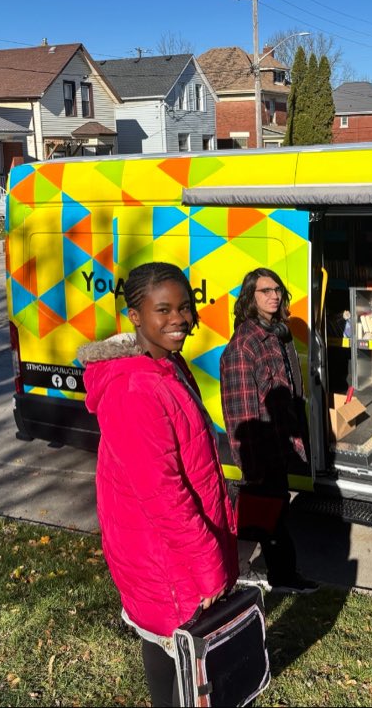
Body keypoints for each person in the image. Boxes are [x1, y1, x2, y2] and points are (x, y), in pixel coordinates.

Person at [78, 262, 238, 708]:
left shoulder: (167, 366)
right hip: (169, 561)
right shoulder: (135, 388)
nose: (179, 320)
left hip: (174, 555)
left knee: (176, 659)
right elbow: (164, 497)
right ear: (135, 315)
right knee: (185, 669)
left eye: (185, 308)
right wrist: (210, 567)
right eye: (163, 310)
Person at [220, 267, 318, 594]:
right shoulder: (244, 345)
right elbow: (240, 414)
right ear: (250, 298)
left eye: (277, 289)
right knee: (266, 519)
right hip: (263, 452)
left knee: (271, 517)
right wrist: (254, 466)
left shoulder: (276, 333)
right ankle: (252, 577)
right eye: (265, 291)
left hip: (278, 444)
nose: (274, 295)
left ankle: (275, 575)